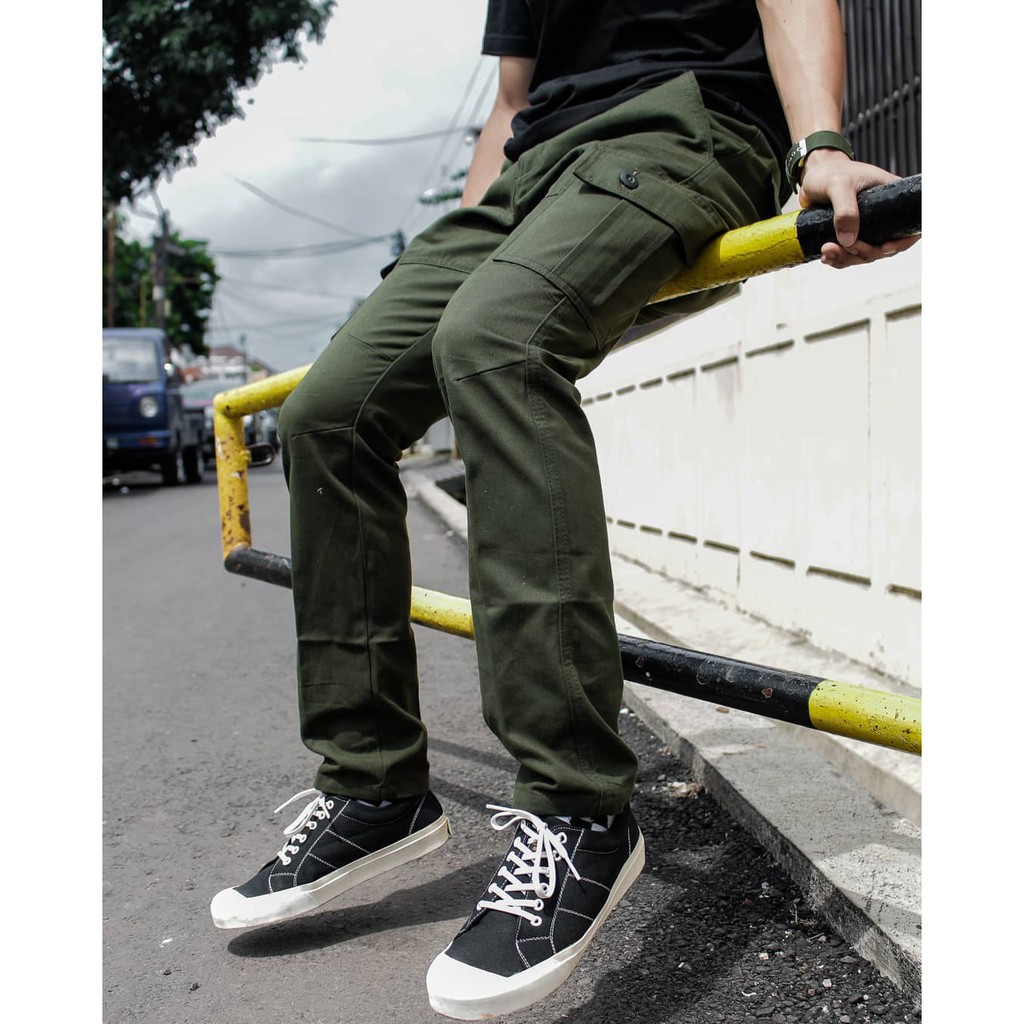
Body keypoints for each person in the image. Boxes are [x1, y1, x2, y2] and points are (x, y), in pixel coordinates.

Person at [210, 1, 918, 1019]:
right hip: (529, 174)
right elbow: (511, 99)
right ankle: (373, 785)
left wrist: (819, 144)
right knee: (327, 412)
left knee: (495, 341)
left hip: (683, 126)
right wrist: (449, 253)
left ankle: (579, 810)